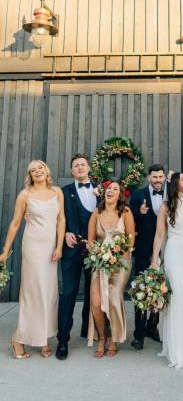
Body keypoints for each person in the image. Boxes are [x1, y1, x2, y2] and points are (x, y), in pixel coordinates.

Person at [0, 160, 65, 359]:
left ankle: (43, 338)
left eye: (40, 168)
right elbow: (14, 224)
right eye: (33, 170)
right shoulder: (25, 195)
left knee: (49, 293)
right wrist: (4, 251)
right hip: (33, 248)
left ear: (47, 170)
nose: (38, 171)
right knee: (33, 293)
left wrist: (59, 246)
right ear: (29, 175)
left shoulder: (56, 192)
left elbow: (61, 219)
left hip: (51, 250)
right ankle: (18, 340)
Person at [151, 172, 183, 369]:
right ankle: (176, 345)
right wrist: (155, 260)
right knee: (177, 294)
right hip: (173, 251)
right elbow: (159, 235)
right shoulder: (165, 207)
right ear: (175, 184)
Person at [56, 153, 98, 360]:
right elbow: (57, 217)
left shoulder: (103, 189)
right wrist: (64, 233)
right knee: (69, 292)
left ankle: (88, 329)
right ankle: (62, 339)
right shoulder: (63, 192)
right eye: (76, 165)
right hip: (72, 249)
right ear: (72, 171)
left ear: (89, 168)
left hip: (96, 249)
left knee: (94, 291)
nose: (80, 167)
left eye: (83, 164)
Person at [87, 180, 135, 357]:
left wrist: (117, 258)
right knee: (96, 302)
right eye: (109, 188)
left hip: (121, 262)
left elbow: (130, 241)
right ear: (104, 193)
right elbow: (91, 241)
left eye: (115, 189)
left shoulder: (126, 212)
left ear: (120, 195)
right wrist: (99, 255)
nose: (111, 191)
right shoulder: (96, 213)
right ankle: (101, 337)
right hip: (99, 262)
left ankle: (114, 338)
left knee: (114, 298)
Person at [130, 164, 167, 349]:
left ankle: (154, 327)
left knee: (160, 289)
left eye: (161, 177)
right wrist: (140, 213)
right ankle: (139, 333)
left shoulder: (170, 196)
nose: (158, 180)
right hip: (144, 251)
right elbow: (129, 220)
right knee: (141, 290)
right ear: (148, 178)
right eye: (155, 177)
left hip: (166, 250)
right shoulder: (138, 195)